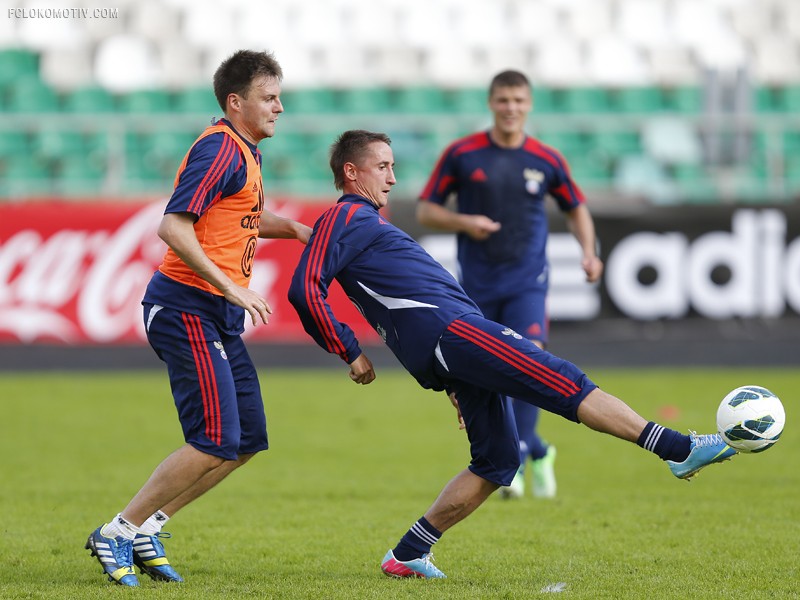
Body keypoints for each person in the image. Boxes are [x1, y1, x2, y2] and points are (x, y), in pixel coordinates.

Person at [287, 129, 737, 579]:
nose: (392, 178)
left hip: (449, 345)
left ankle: (408, 553)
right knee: (564, 380)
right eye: (382, 166)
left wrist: (450, 382)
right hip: (455, 335)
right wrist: (349, 350)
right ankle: (677, 449)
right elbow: (305, 289)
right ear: (351, 171)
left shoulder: (362, 223)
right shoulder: (345, 217)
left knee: (497, 461)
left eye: (393, 166)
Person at [85, 49, 312, 587]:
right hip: (185, 308)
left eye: (280, 96)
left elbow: (244, 218)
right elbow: (173, 227)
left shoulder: (245, 151)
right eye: (269, 97)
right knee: (213, 438)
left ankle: (148, 527)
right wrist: (232, 286)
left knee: (247, 438)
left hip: (213, 314)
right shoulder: (219, 149)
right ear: (236, 103)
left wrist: (301, 231)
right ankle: (116, 530)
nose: (280, 107)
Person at [416, 70, 604, 499]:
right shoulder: (462, 154)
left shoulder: (546, 158)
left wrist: (589, 252)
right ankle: (537, 448)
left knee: (531, 363)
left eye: (518, 100)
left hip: (527, 283)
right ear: (490, 103)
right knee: (490, 376)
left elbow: (576, 207)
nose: (510, 108)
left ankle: (514, 456)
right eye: (503, 100)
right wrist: (465, 221)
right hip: (475, 287)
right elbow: (427, 210)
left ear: (529, 104)